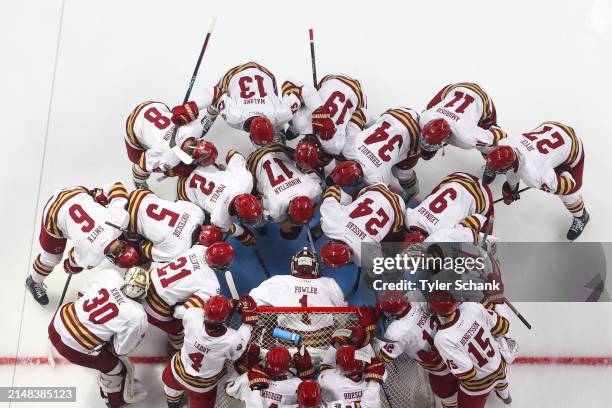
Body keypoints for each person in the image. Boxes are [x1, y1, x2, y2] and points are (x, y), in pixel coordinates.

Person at [48, 267, 150, 407]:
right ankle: (114, 401)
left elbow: (82, 294)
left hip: (56, 323)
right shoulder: (138, 315)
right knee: (114, 367)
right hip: (71, 349)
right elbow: (120, 349)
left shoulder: (110, 275)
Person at [27, 182, 139, 306]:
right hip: (53, 215)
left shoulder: (120, 220)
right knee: (51, 259)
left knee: (105, 199)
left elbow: (116, 186)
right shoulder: (92, 258)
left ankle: (96, 197)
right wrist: (72, 267)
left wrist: (100, 195)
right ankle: (33, 282)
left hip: (75, 193)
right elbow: (71, 261)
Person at [485, 121, 588, 240]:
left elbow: (569, 186)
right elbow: (515, 168)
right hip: (552, 127)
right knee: (534, 164)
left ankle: (582, 216)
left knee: (569, 195)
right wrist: (511, 188)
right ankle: (553, 160)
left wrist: (560, 176)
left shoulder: (535, 176)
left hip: (572, 146)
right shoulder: (506, 143)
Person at [143, 226, 234, 350]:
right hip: (154, 308)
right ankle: (178, 346)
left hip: (144, 281)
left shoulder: (198, 249)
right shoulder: (211, 285)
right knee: (180, 326)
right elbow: (180, 313)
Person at [162, 294, 258, 408]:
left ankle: (172, 404)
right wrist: (248, 323)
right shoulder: (232, 339)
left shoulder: (192, 315)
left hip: (176, 372)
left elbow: (196, 312)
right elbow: (236, 354)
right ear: (225, 318)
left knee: (171, 390)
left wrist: (226, 307)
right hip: (200, 388)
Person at [374, 291, 458, 408]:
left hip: (441, 372)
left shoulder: (395, 332)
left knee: (451, 403)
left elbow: (381, 359)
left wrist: (372, 327)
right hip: (458, 352)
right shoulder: (414, 295)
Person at [430, 291, 514, 408]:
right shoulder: (472, 306)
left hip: (479, 384)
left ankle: (505, 396)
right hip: (499, 366)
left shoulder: (442, 338)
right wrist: (495, 304)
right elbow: (503, 327)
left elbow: (468, 373)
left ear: (436, 312)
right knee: (502, 384)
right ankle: (506, 398)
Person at [177, 149, 263, 247]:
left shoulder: (245, 181)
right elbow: (232, 153)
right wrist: (245, 236)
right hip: (185, 188)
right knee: (203, 226)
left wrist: (245, 237)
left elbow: (233, 153)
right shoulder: (219, 218)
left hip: (197, 163)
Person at [339, 106, 422, 201]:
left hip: (413, 135)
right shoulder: (348, 147)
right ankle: (412, 191)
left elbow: (383, 199)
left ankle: (412, 192)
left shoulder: (377, 178)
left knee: (401, 173)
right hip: (397, 115)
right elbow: (360, 112)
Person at [246, 142, 322, 239]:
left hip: (277, 148)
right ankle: (259, 226)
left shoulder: (315, 190)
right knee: (255, 215)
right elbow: (257, 203)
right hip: (253, 161)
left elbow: (310, 171)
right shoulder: (275, 212)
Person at [124, 100, 207, 189]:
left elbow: (213, 93)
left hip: (154, 106)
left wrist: (183, 110)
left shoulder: (196, 127)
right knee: (137, 160)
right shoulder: (168, 157)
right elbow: (143, 163)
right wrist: (168, 170)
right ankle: (138, 180)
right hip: (132, 126)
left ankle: (213, 110)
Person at [319, 184, 405, 268]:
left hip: (397, 209)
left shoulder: (365, 257)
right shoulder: (329, 224)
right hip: (376, 189)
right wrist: (350, 202)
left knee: (391, 248)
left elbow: (384, 260)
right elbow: (334, 189)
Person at [418, 82, 506, 162]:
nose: (426, 145)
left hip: (481, 98)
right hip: (456, 88)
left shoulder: (466, 138)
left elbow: (493, 136)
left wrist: (494, 129)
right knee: (430, 107)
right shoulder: (424, 117)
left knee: (488, 147)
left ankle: (492, 161)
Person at [405, 172, 493, 244]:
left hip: (481, 199)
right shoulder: (409, 216)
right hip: (456, 178)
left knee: (480, 245)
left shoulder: (441, 237)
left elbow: (476, 221)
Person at [126, 188, 205, 262]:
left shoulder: (199, 214)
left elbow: (176, 202)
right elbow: (145, 248)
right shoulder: (177, 252)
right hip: (129, 220)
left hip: (141, 194)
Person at [318, 345, 385, 407]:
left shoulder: (328, 379)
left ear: (339, 365)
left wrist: (335, 346)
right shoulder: (378, 374)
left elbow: (325, 368)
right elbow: (378, 366)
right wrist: (365, 345)